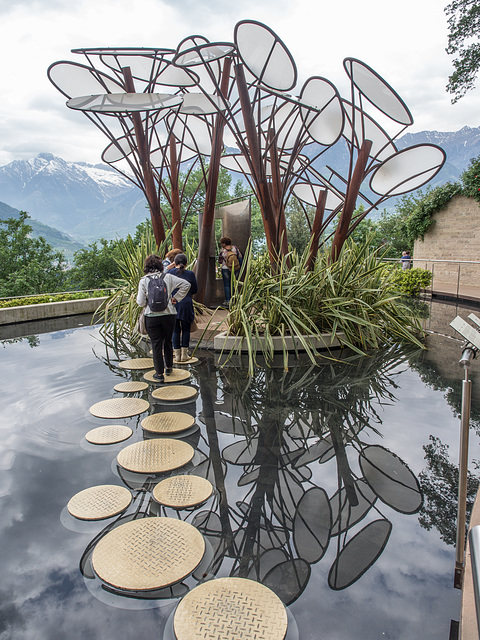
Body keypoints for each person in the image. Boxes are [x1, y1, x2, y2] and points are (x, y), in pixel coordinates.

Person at [136, 254, 191, 382]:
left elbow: (140, 302)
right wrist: (176, 298)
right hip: (169, 315)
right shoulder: (169, 277)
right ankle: (169, 367)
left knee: (156, 345)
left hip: (151, 316)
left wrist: (147, 303)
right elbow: (186, 285)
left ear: (147, 266)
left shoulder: (143, 280)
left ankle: (159, 374)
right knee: (167, 341)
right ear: (160, 265)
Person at [169, 253, 198, 362]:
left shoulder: (169, 273)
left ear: (174, 263)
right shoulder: (190, 274)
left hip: (173, 304)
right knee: (186, 329)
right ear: (186, 263)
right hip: (186, 304)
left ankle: (177, 355)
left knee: (175, 330)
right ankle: (184, 355)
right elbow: (195, 289)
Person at [218, 236, 242, 306]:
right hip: (235, 268)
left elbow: (220, 260)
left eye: (222, 243)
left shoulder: (223, 250)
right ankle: (234, 300)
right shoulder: (235, 248)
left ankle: (228, 301)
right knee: (234, 284)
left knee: (227, 285)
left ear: (225, 243)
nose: (221, 244)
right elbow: (240, 256)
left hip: (225, 268)